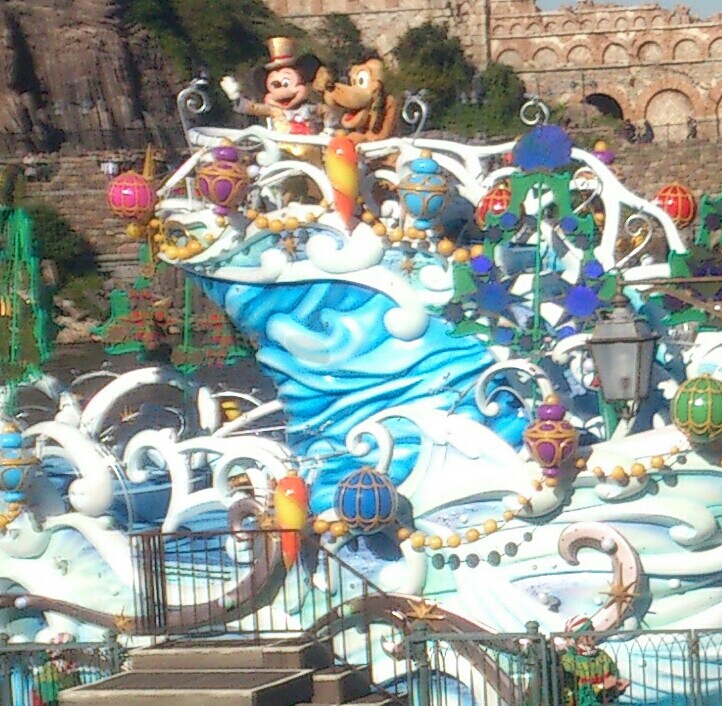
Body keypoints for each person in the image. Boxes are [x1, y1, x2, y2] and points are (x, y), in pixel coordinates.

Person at [559, 615, 630, 706]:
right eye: (588, 631)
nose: (593, 633)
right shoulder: (568, 661)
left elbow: (613, 682)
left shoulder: (602, 656)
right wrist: (601, 687)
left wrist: (619, 687)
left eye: (592, 629)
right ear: (578, 637)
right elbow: (573, 695)